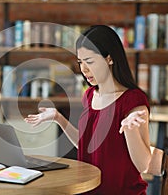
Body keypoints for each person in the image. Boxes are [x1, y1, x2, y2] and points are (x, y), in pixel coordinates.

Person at [24, 25, 151, 194]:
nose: (83, 69)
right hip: (88, 189)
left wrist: (130, 130)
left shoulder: (133, 101)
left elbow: (144, 165)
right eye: (80, 62)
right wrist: (58, 118)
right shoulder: (90, 95)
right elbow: (87, 145)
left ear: (109, 59)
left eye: (89, 61)